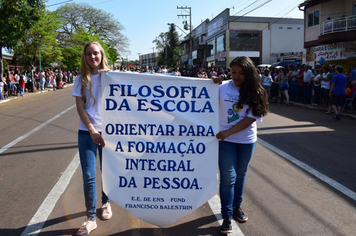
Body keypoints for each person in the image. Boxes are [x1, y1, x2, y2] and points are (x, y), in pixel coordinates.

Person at [215, 56, 268, 234]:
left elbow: (251, 117)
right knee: (228, 177)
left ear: (250, 74)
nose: (236, 77)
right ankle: (227, 216)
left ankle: (237, 206)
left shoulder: (256, 91)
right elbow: (201, 101)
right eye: (233, 72)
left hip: (246, 140)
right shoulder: (221, 88)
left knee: (240, 175)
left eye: (241, 73)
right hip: (225, 141)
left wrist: (229, 131)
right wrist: (211, 84)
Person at [72, 41, 113, 236]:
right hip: (87, 133)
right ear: (85, 57)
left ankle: (106, 203)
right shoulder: (80, 79)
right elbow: (80, 107)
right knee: (88, 176)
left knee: (107, 172)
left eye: (95, 53)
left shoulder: (112, 77)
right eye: (88, 54)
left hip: (110, 133)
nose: (92, 57)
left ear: (102, 55)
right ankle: (90, 218)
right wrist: (91, 130)